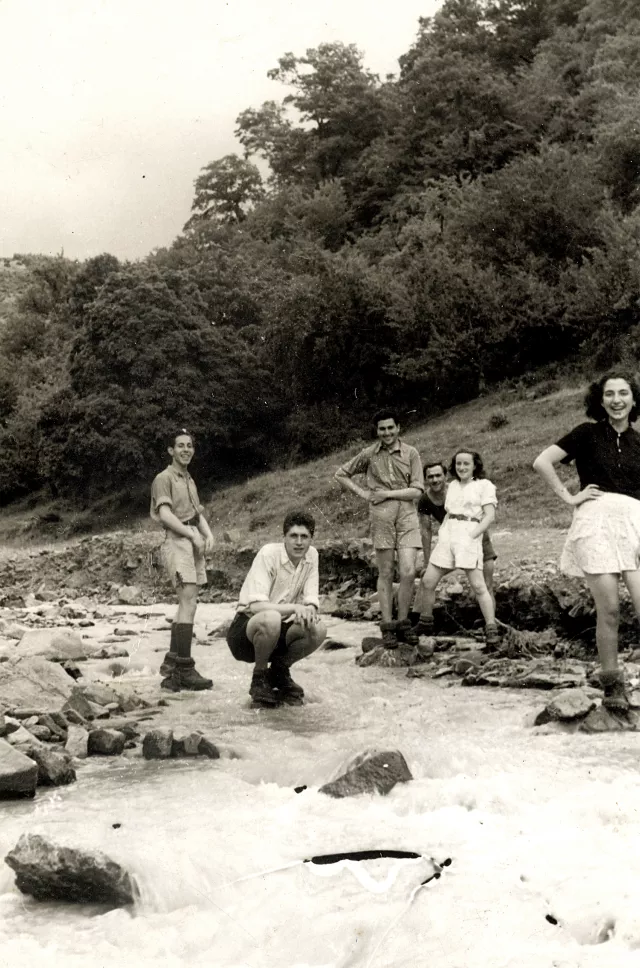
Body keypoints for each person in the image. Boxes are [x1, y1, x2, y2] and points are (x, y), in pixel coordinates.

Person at [533, 369, 640, 713]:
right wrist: (569, 497)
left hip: (634, 523)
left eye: (623, 393)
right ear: (600, 399)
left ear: (634, 399)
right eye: (610, 394)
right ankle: (613, 687)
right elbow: (542, 462)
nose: (617, 400)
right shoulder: (586, 434)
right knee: (608, 610)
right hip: (595, 524)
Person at [335, 409, 424, 649]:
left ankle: (403, 623)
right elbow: (341, 474)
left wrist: (387, 493)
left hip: (407, 516)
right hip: (381, 517)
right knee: (385, 572)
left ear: (398, 428)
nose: (386, 433)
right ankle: (387, 627)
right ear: (377, 431)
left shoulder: (411, 453)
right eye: (382, 429)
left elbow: (417, 490)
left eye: (390, 428)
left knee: (407, 571)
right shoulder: (369, 454)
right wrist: (364, 493)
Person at [226, 510, 327, 708]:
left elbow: (312, 600)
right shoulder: (268, 554)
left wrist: (309, 610)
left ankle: (279, 672)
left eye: (304, 537)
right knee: (271, 618)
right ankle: (259, 678)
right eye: (293, 536)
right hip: (247, 632)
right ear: (284, 538)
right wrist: (297, 607)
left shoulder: (312, 556)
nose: (299, 542)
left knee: (318, 628)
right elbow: (256, 606)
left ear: (311, 539)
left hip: (280, 630)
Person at [150, 429, 214, 692]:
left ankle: (174, 663)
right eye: (180, 446)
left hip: (191, 539)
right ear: (170, 450)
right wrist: (191, 534)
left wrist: (208, 533)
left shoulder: (189, 479)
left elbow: (196, 514)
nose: (186, 450)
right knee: (187, 599)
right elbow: (165, 515)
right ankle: (184, 669)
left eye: (189, 446)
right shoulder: (163, 478)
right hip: (176, 541)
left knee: (190, 601)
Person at [415, 451, 499, 647]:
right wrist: (445, 535)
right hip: (449, 533)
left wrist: (472, 535)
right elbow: (446, 512)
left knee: (479, 585)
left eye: (466, 464)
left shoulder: (484, 485)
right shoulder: (452, 485)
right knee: (428, 580)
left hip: (469, 532)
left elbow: (489, 516)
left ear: (475, 465)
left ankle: (491, 628)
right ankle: (425, 623)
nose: (462, 467)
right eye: (458, 464)